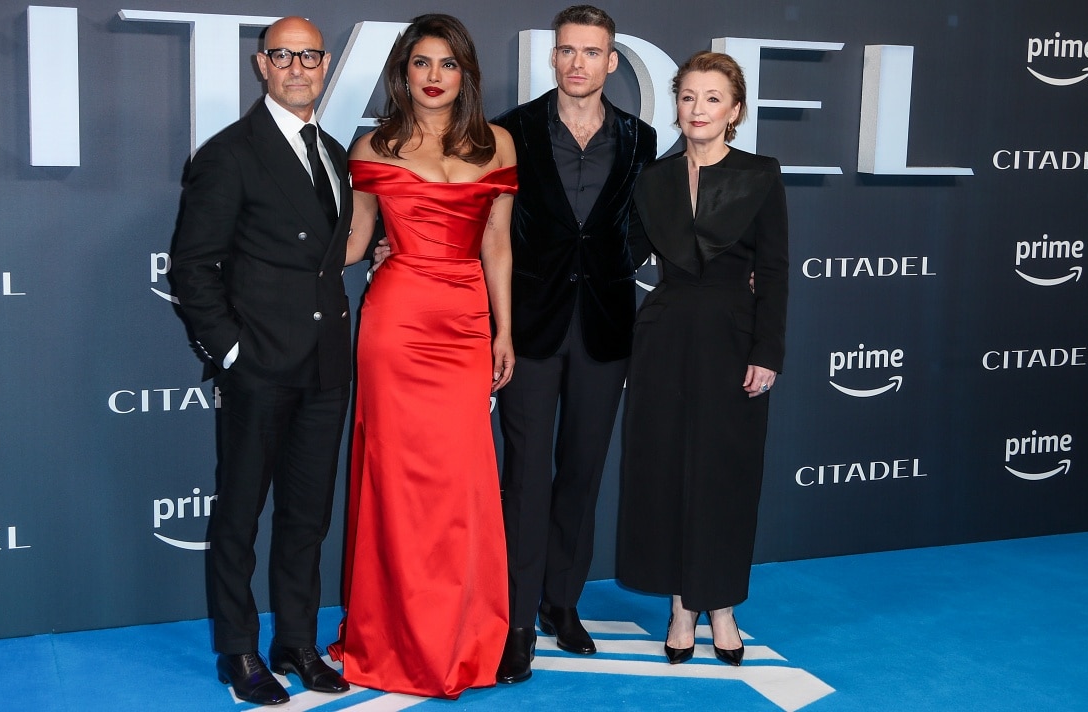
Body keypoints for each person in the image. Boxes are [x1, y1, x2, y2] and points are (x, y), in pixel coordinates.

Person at [330, 14, 517, 699]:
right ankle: (392, 637)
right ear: (402, 72)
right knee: (395, 486)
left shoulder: (496, 144)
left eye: (447, 64)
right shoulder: (372, 146)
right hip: (397, 323)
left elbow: (497, 244)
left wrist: (504, 331)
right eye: (421, 63)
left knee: (461, 486)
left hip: (466, 321)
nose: (434, 77)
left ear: (465, 74)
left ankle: (463, 636)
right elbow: (354, 244)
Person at [169, 16, 354, 706]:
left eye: (309, 56)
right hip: (261, 366)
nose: (298, 67)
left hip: (326, 366)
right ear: (262, 65)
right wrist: (233, 351)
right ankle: (239, 650)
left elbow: (326, 256)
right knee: (241, 514)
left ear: (326, 63)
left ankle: (297, 643)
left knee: (308, 517)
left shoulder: (332, 150)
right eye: (284, 56)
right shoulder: (230, 152)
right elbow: (192, 267)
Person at [490, 5, 656, 683]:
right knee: (524, 479)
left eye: (592, 52)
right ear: (553, 58)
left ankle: (565, 603)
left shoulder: (641, 138)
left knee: (582, 474)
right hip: (529, 328)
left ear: (612, 61)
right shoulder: (512, 130)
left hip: (605, 329)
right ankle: (518, 620)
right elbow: (488, 227)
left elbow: (643, 226)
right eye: (567, 51)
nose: (578, 63)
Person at [616, 50, 788, 667]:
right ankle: (681, 607)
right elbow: (623, 253)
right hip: (663, 337)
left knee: (724, 475)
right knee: (666, 470)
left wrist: (767, 350)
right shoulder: (653, 179)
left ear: (735, 110)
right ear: (676, 104)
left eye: (712, 98)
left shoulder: (761, 174)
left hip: (732, 342)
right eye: (688, 96)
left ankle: (722, 606)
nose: (698, 109)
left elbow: (772, 271)